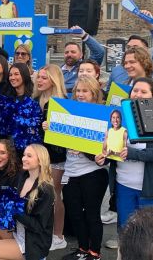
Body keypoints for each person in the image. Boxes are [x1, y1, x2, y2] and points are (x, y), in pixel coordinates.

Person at [98, 77, 153, 249]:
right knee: (128, 236)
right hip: (124, 186)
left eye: (143, 91)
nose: (138, 94)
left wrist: (136, 154)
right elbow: (111, 147)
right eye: (135, 90)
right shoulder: (118, 116)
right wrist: (104, 156)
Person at [0, 144, 54, 260]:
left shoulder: (46, 190)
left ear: (40, 161)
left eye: (29, 156)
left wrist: (14, 210)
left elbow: (38, 227)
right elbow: (9, 203)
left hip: (31, 241)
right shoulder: (22, 177)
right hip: (16, 231)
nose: (24, 158)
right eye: (24, 155)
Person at [61, 76, 108, 260]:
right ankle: (82, 248)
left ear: (94, 93)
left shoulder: (103, 114)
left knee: (91, 215)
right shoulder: (69, 112)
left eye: (85, 91)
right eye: (78, 91)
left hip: (93, 173)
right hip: (71, 172)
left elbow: (106, 151)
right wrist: (50, 128)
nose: (80, 94)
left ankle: (95, 253)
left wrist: (83, 147)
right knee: (75, 214)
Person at [33, 64, 68, 251]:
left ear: (54, 80)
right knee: (44, 195)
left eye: (44, 78)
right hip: (42, 155)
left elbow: (68, 134)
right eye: (39, 77)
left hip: (56, 157)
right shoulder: (38, 99)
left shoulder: (61, 102)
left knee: (54, 195)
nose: (40, 81)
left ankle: (59, 235)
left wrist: (54, 128)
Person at [106, 9, 153, 89]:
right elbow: (109, 93)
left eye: (135, 47)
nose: (131, 49)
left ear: (146, 50)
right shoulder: (116, 70)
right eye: (128, 47)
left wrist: (152, 26)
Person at [60, 26, 104, 92]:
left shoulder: (85, 67)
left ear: (81, 55)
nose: (69, 54)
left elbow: (99, 52)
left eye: (73, 52)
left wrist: (84, 36)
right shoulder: (58, 71)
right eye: (66, 52)